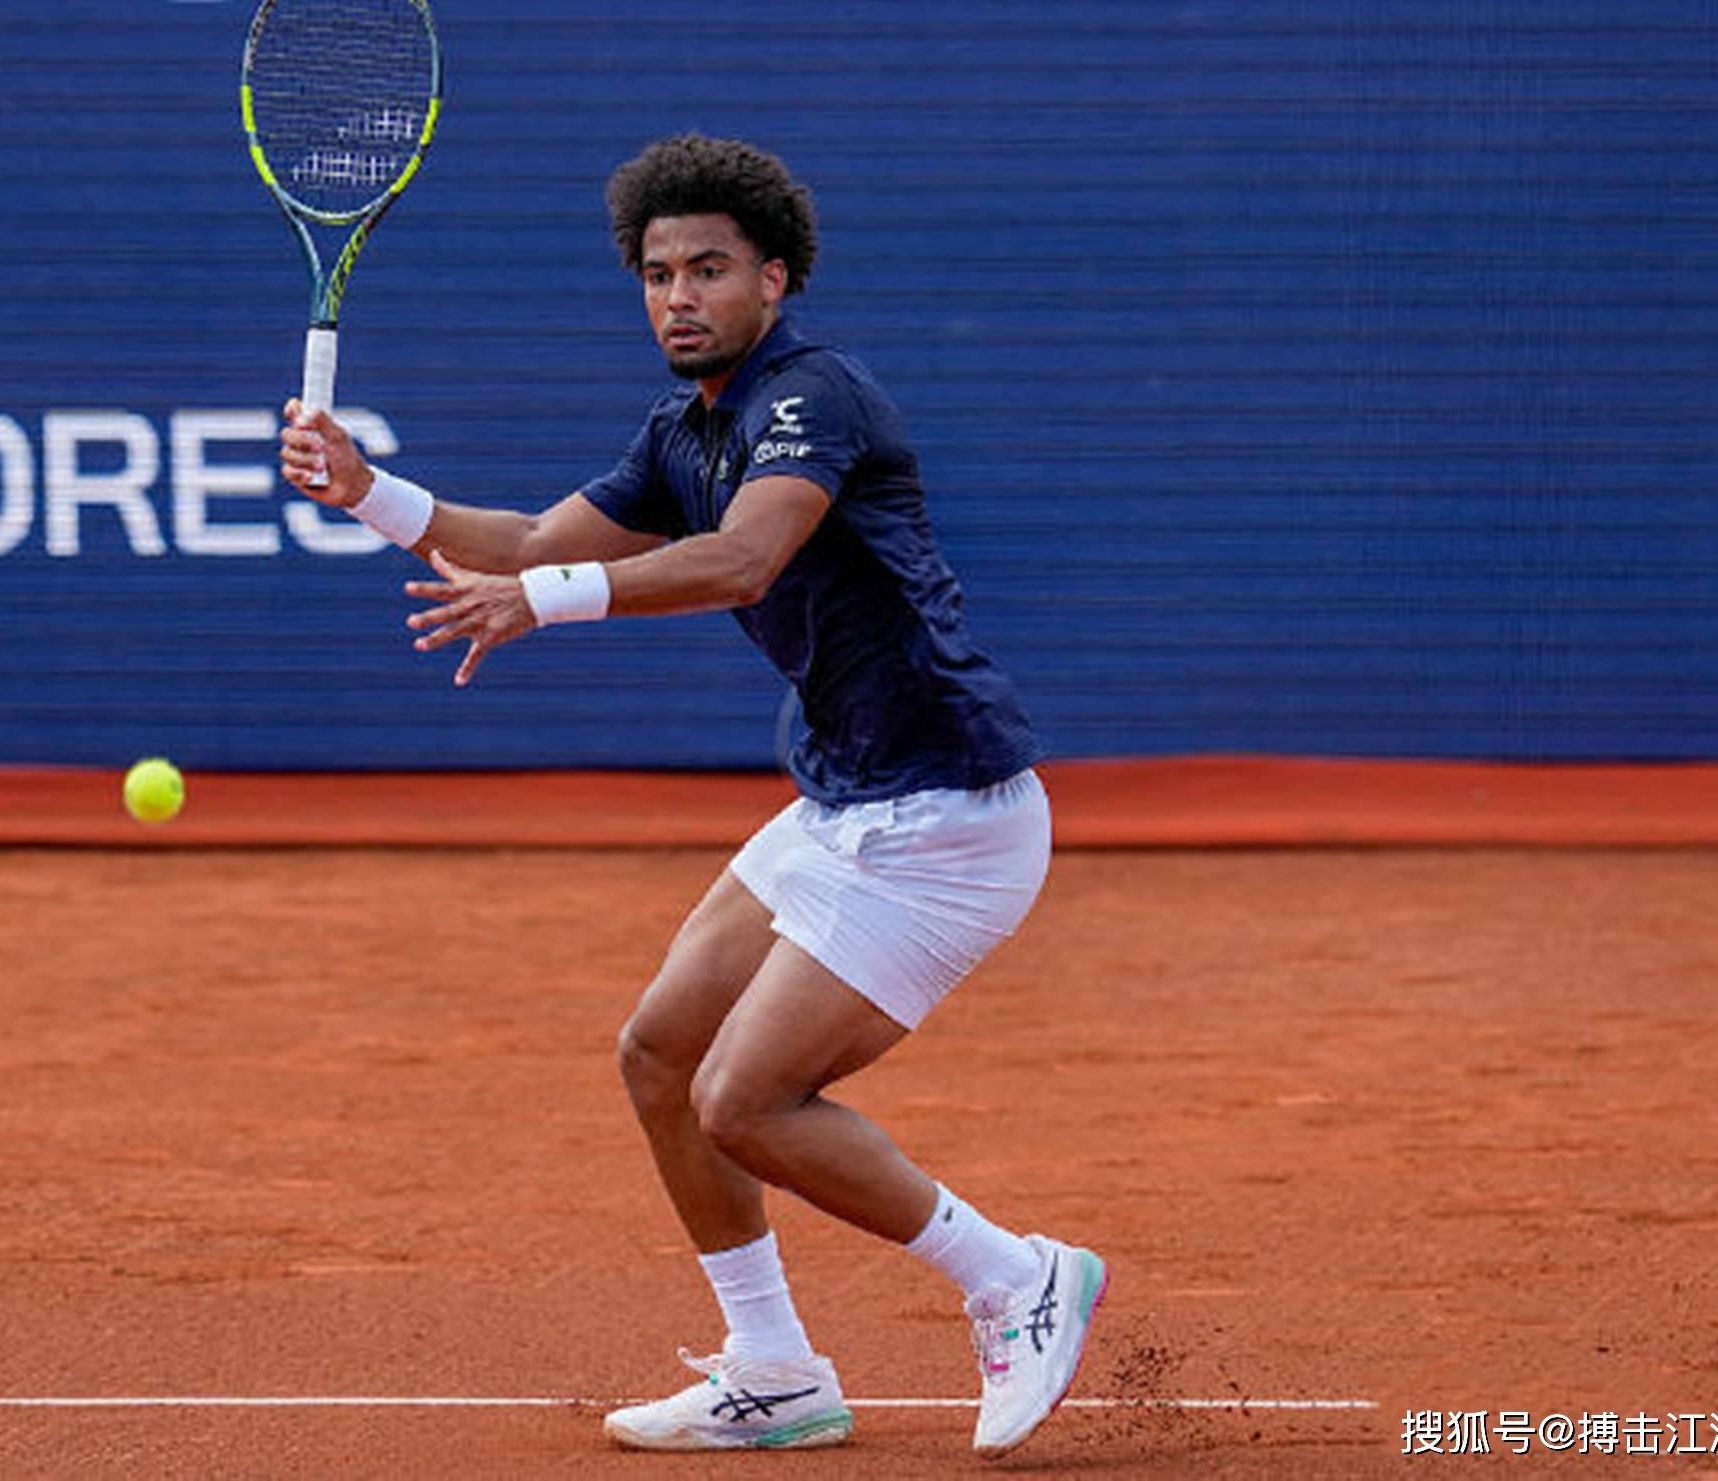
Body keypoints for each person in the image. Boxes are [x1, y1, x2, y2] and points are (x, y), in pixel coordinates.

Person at [279, 133, 1103, 1459]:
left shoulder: (814, 395)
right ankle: (774, 1370)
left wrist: (542, 602)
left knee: (745, 1101)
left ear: (773, 278)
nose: (679, 295)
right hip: (843, 800)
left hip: (945, 817)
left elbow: (741, 560)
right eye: (658, 274)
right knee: (659, 1051)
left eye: (709, 269)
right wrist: (367, 490)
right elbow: (532, 540)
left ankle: (1016, 1277)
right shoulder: (683, 430)